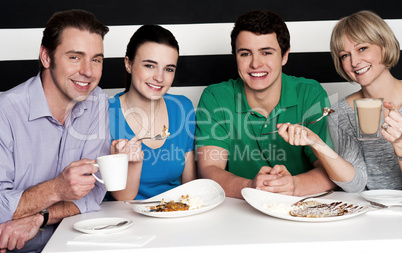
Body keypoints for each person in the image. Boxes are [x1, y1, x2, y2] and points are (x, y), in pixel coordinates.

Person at [195, 9, 336, 199]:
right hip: (239, 212)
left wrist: (292, 185)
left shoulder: (310, 93)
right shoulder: (215, 97)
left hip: (300, 208)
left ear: (284, 56)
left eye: (266, 52)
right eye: (245, 54)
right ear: (235, 56)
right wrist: (250, 186)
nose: (255, 63)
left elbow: (331, 170)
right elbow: (209, 169)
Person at [0, 9, 110, 252]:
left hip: (77, 246)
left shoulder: (97, 101)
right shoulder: (5, 112)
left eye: (96, 59)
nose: (89, 72)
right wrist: (56, 189)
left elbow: (95, 190)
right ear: (47, 57)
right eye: (75, 57)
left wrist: (41, 216)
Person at [279, 10, 402, 192]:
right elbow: (355, 185)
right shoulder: (341, 113)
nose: (354, 62)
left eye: (362, 48)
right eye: (345, 55)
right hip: (372, 215)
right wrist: (316, 143)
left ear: (384, 47)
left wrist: (399, 145)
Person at [108, 25, 196, 201]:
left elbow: (190, 187)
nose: (160, 77)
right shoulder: (104, 113)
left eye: (169, 69)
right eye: (150, 65)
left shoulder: (183, 108)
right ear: (128, 64)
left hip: (173, 217)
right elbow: (121, 199)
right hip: (123, 220)